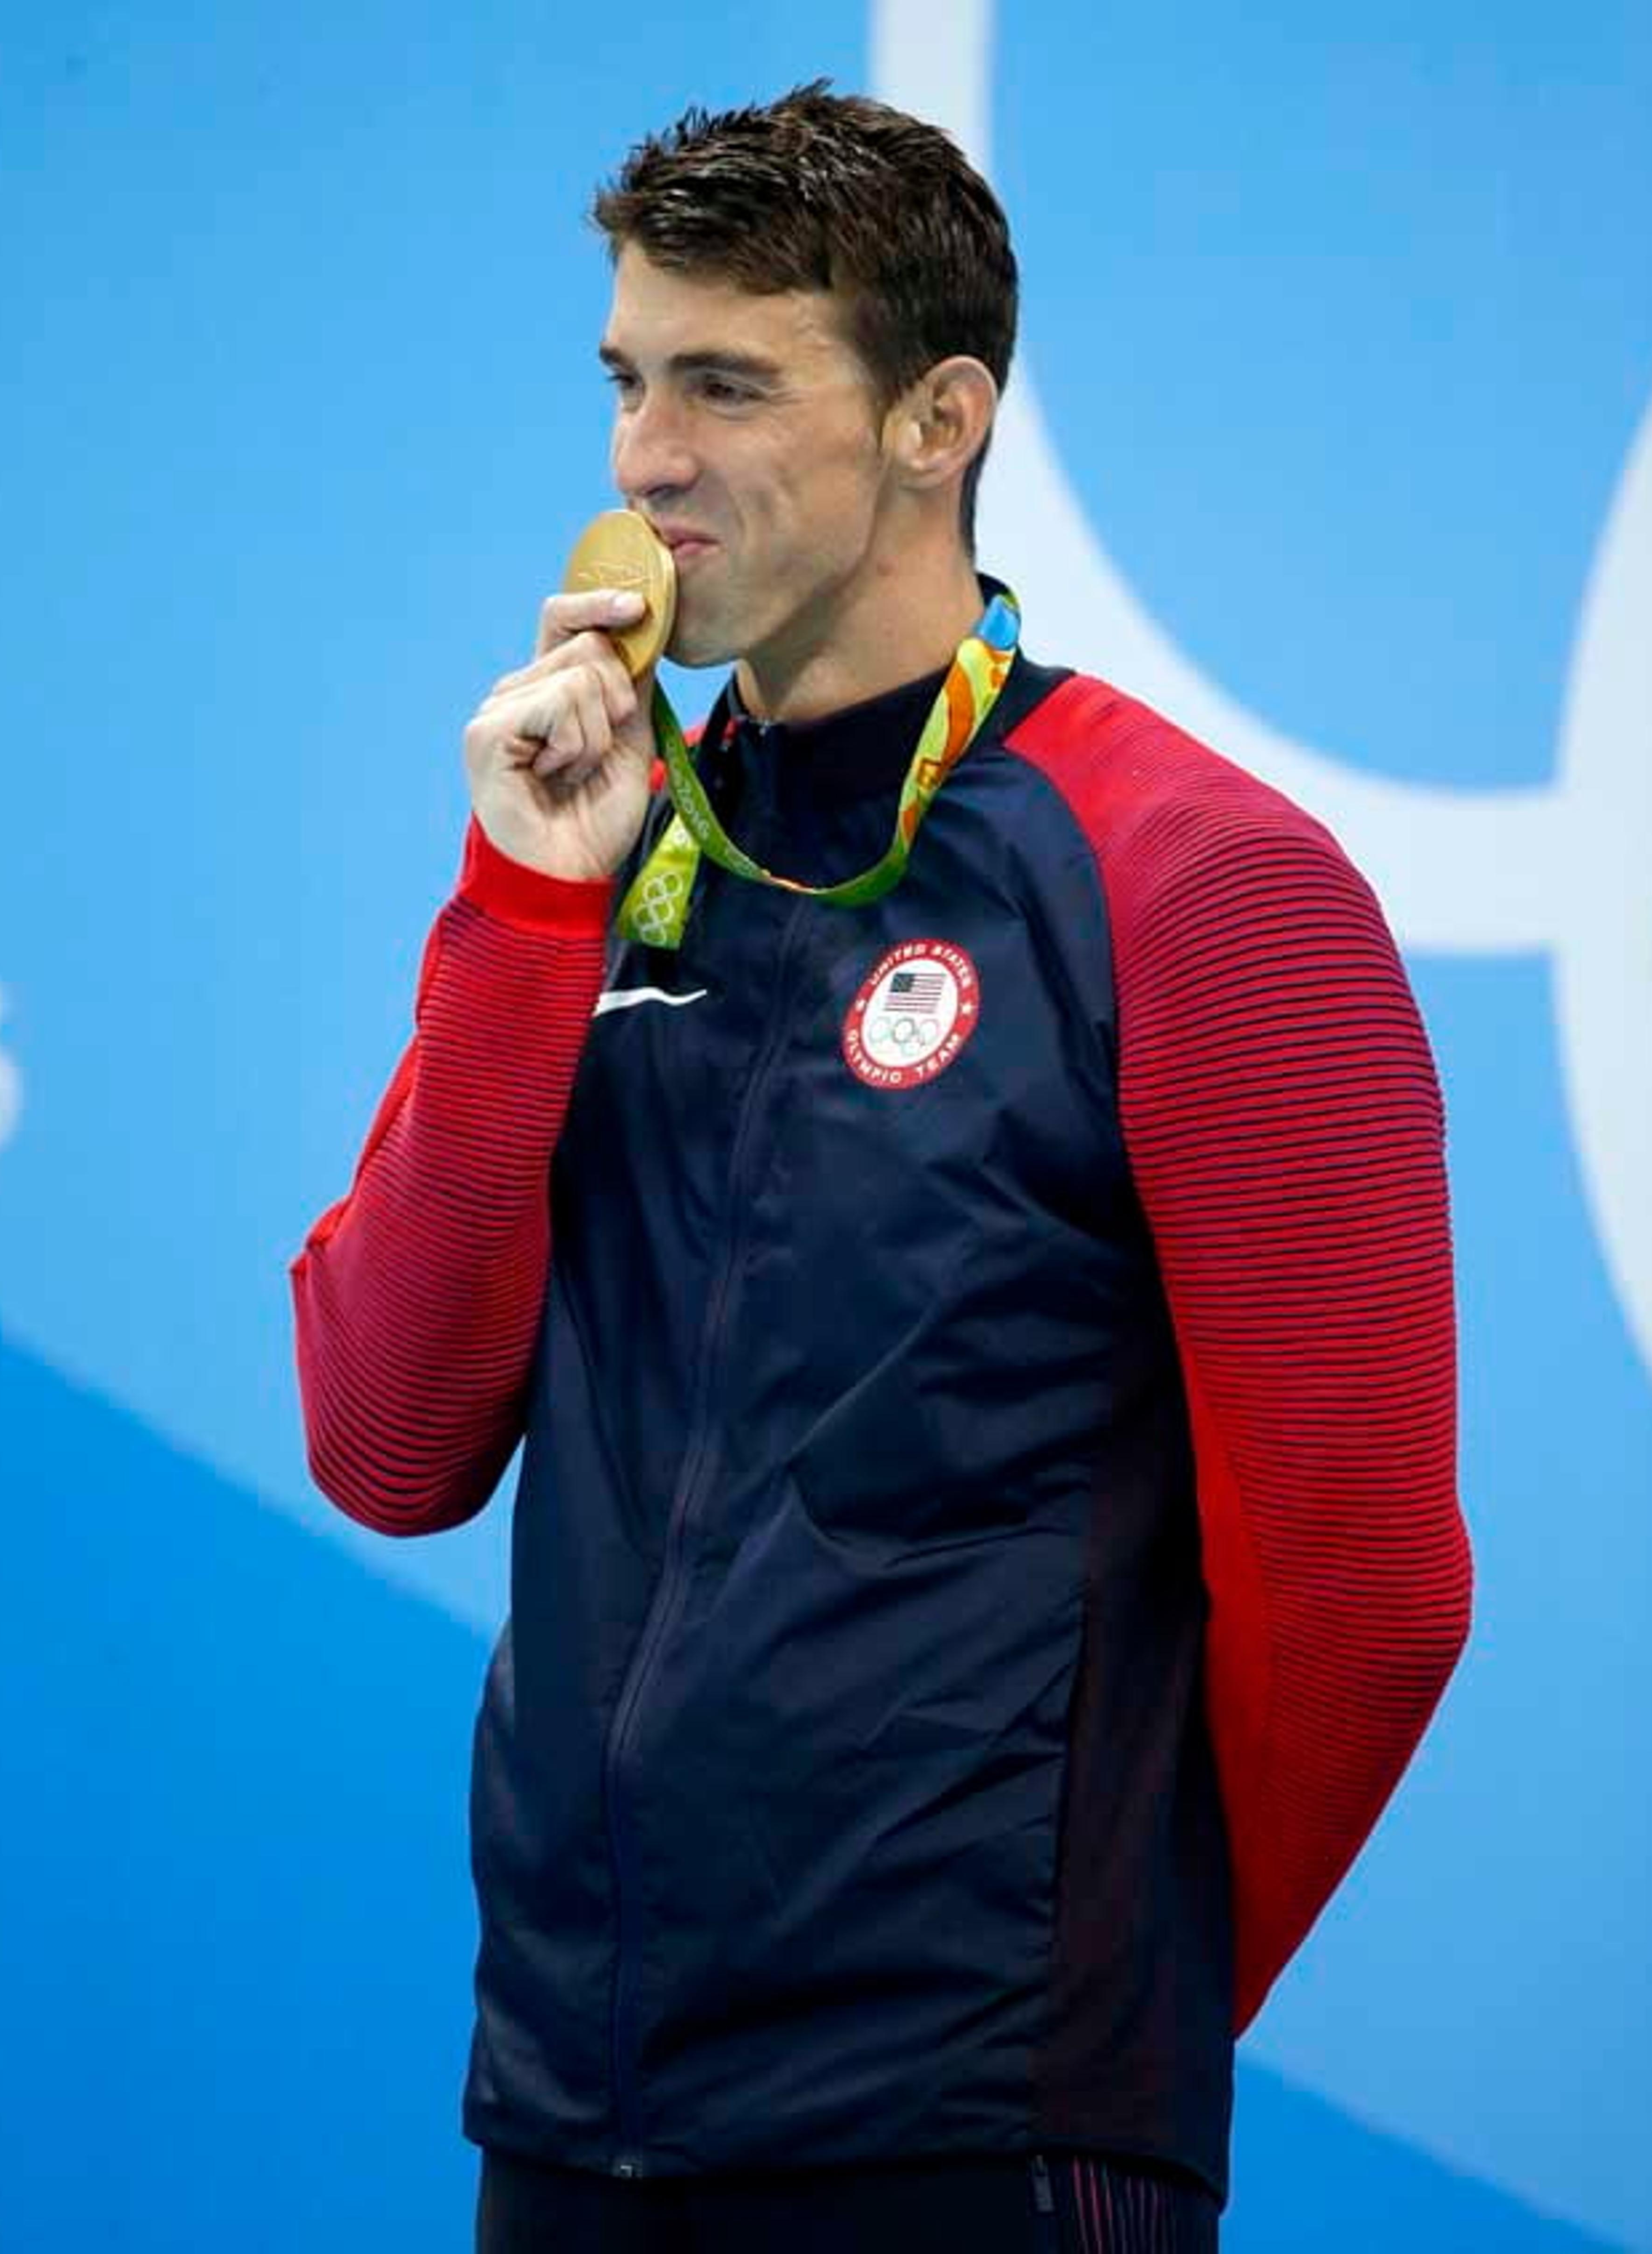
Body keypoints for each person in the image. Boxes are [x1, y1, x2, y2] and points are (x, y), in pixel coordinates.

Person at [292, 84, 1472, 2254]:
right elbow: (387, 1441)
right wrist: (524, 908)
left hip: (976, 2136)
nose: (647, 457)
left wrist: (1098, 2011)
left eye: (728, 383)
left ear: (941, 420)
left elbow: (1370, 1595)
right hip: (576, 2115)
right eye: (632, 379)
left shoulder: (1200, 883)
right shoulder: (603, 848)